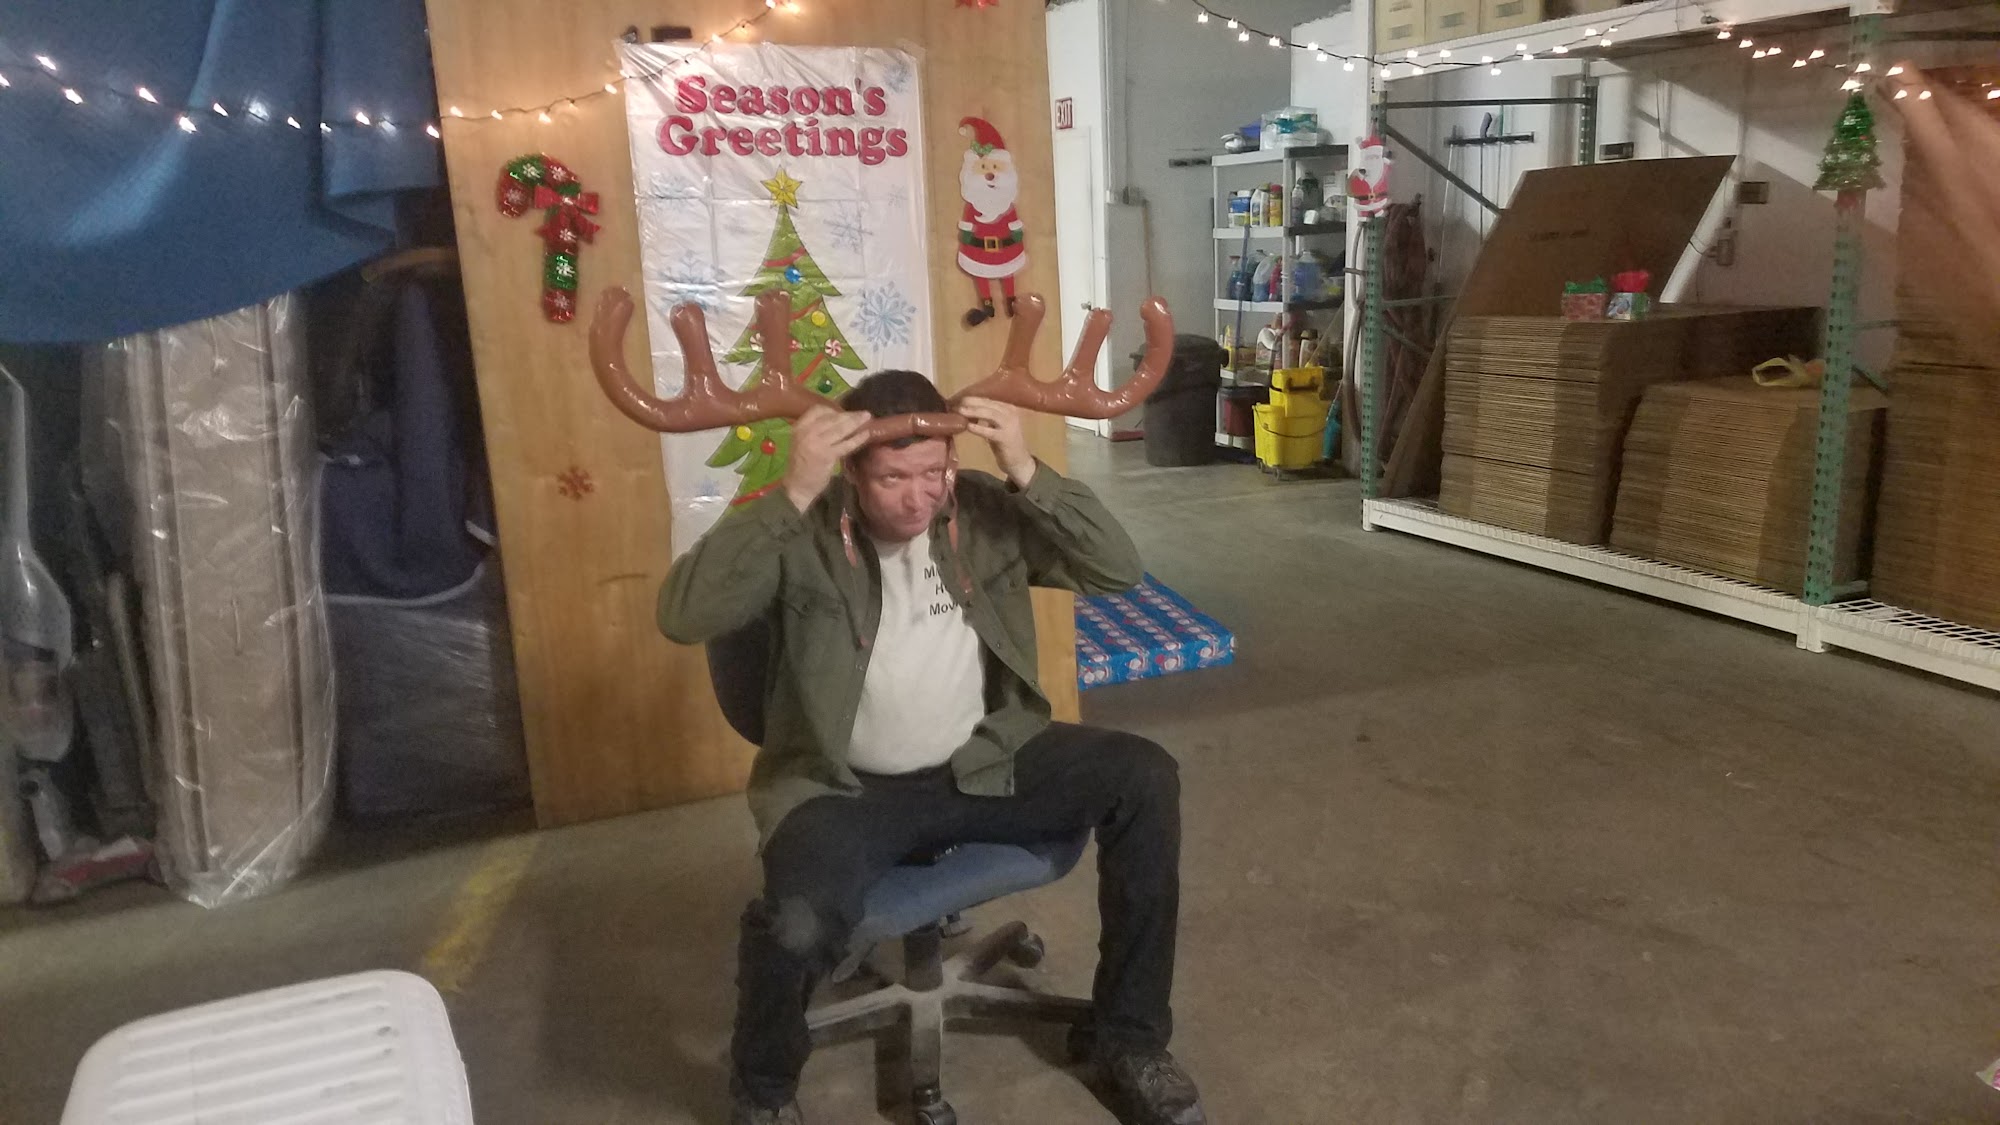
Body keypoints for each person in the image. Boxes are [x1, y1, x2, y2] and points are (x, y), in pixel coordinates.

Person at [658, 370, 1206, 1125]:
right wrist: (792, 490)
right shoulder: (804, 526)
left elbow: (1117, 569)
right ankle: (764, 1089)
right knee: (795, 926)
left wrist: (1024, 466)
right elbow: (685, 615)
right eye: (893, 478)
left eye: (934, 472)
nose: (919, 498)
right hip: (844, 790)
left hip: (983, 761)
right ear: (852, 471)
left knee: (1144, 776)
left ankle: (1130, 1040)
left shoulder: (977, 509)